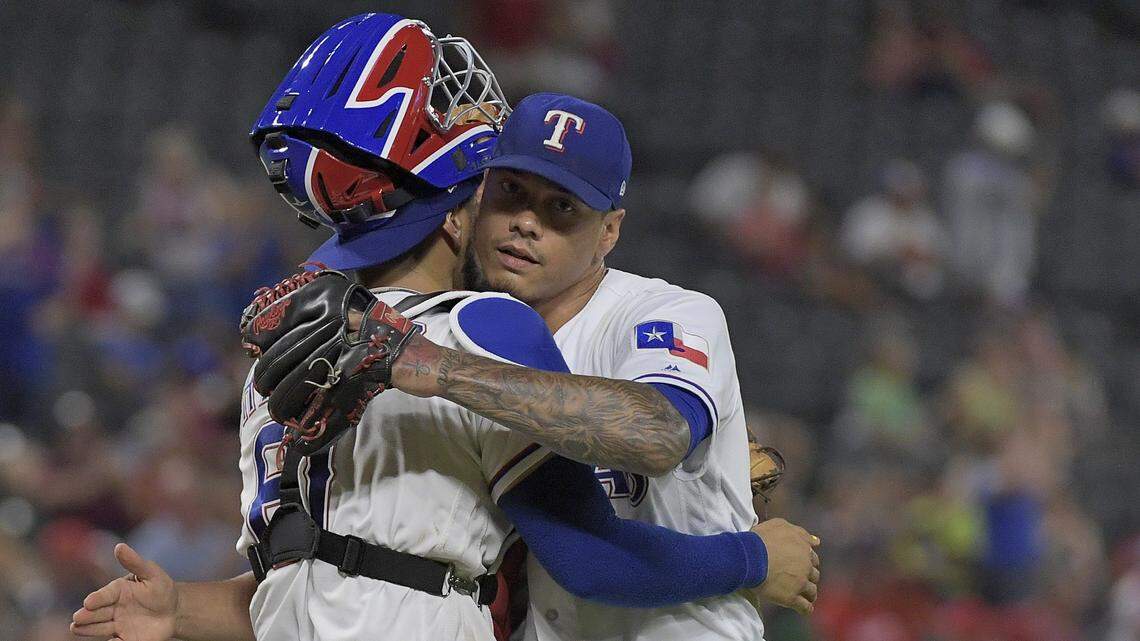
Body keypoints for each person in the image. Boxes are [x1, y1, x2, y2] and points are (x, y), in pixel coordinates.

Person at [71, 13, 817, 641]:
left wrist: (182, 609)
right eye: (509, 194)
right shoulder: (484, 326)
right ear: (464, 205)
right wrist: (751, 557)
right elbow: (590, 555)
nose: (524, 223)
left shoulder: (281, 355)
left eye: (559, 209)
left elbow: (312, 576)